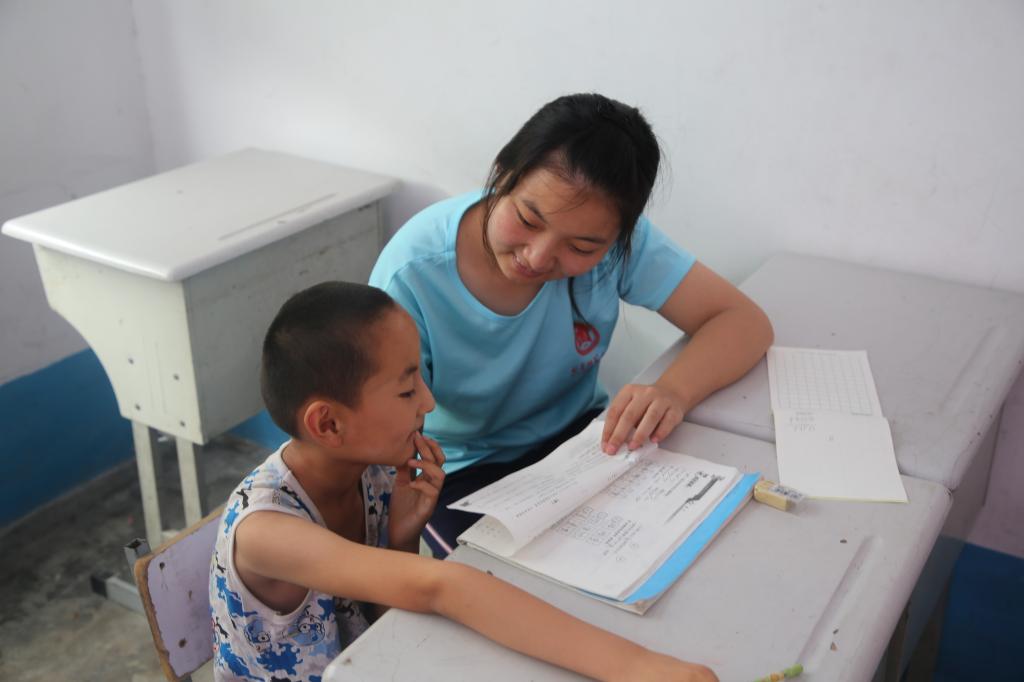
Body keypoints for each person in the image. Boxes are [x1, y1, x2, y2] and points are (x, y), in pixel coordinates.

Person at [209, 281, 717, 682]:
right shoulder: (266, 533)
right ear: (328, 424)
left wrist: (402, 537)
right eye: (407, 390)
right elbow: (438, 587)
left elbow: (386, 621)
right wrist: (640, 667)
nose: (428, 402)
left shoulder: (374, 469)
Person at [369, 93, 774, 555]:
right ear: (502, 174)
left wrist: (673, 391)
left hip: (583, 442)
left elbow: (742, 321)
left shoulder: (619, 245)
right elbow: (384, 428)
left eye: (581, 248)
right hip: (461, 470)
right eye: (527, 219)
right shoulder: (413, 274)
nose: (538, 257)